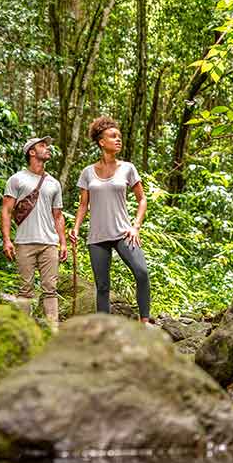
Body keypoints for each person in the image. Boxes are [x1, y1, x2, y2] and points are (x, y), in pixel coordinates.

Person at [69, 116, 151, 322]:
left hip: (123, 232)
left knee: (141, 273)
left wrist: (136, 227)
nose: (118, 140)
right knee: (103, 286)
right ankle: (104, 330)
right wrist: (76, 229)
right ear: (101, 142)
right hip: (97, 237)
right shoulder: (87, 173)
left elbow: (142, 200)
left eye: (119, 136)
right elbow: (83, 205)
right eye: (113, 136)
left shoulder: (128, 168)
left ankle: (144, 322)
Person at [1, 136, 68, 330]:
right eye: (42, 145)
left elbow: (58, 216)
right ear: (31, 152)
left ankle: (53, 331)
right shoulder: (17, 179)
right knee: (25, 290)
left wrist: (62, 242)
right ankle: (25, 332)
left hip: (49, 243)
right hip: (24, 242)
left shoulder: (53, 183)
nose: (47, 148)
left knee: (50, 289)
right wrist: (7, 240)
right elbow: (6, 210)